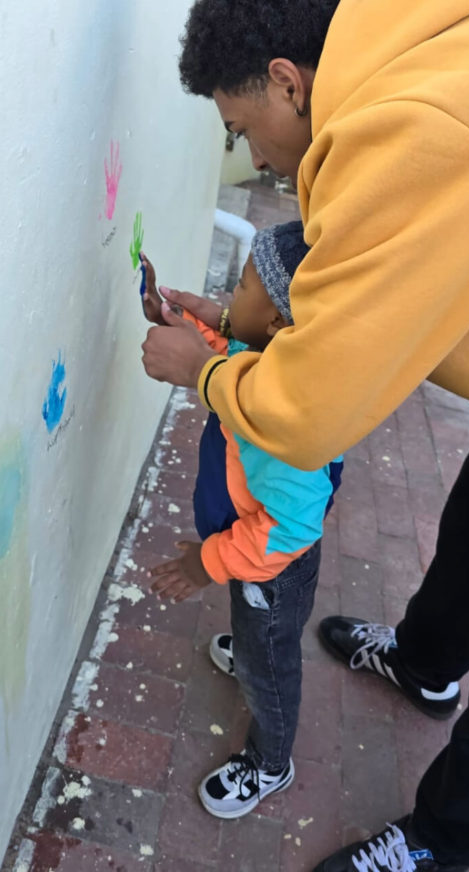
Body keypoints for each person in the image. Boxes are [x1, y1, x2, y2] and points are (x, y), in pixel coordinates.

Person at [140, 0, 469, 872]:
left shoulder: (431, 129)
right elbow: (335, 289)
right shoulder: (419, 62)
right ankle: (424, 667)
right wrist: (226, 323)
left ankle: (438, 845)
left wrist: (201, 370)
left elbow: (313, 406)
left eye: (244, 127)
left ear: (289, 81)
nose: (252, 157)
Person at [140, 222, 343, 819]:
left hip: (271, 565)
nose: (233, 292)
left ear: (281, 320)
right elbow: (229, 355)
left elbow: (291, 528)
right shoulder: (271, 362)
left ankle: (271, 762)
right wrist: (183, 323)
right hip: (261, 561)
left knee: (270, 662)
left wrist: (206, 564)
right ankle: (258, 644)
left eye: (246, 285)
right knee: (262, 628)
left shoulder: (282, 428)